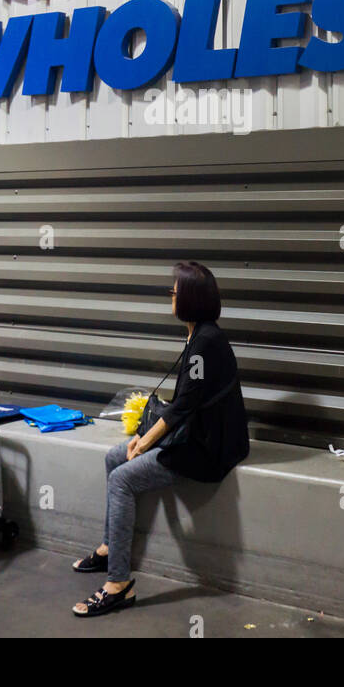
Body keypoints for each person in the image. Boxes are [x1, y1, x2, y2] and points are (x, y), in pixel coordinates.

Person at [71, 261, 249, 617]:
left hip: (206, 448)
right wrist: (141, 437)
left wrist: (145, 441)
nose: (171, 295)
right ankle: (110, 548)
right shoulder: (199, 335)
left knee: (122, 478)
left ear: (191, 300)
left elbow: (184, 406)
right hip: (194, 433)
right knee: (113, 457)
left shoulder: (204, 343)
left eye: (175, 291)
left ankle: (118, 585)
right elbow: (186, 403)